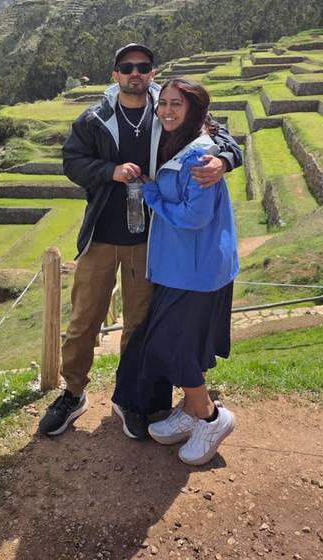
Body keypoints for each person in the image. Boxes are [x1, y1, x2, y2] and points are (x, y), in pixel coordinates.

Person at [38, 44, 242, 440]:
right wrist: (109, 171)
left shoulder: (167, 108)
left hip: (151, 238)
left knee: (138, 323)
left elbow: (220, 135)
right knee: (83, 321)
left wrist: (225, 160)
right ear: (115, 73)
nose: (135, 73)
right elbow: (72, 162)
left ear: (152, 72)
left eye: (143, 67)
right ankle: (73, 393)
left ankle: (128, 398)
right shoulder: (96, 118)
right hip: (102, 236)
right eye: (127, 67)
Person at [111, 78, 239, 466]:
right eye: (162, 103)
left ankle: (210, 418)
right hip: (179, 267)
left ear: (195, 111)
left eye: (176, 105)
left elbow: (193, 216)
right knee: (180, 343)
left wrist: (151, 196)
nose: (166, 111)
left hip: (196, 269)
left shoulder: (201, 157)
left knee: (174, 345)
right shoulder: (178, 142)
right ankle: (189, 408)